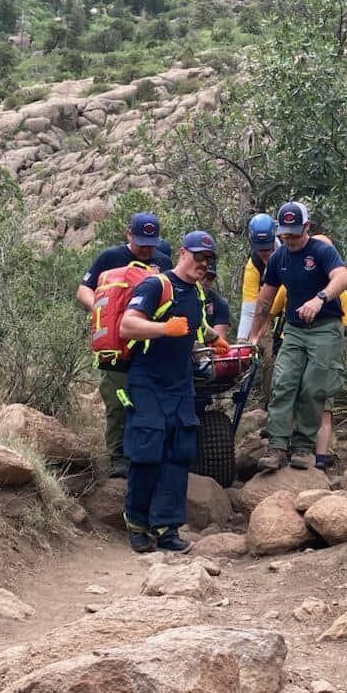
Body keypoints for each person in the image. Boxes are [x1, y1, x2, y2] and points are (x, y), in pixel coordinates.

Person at [119, 231, 230, 553]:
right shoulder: (156, 285)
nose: (204, 264)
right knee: (147, 453)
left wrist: (212, 338)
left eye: (209, 260)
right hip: (148, 381)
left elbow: (192, 325)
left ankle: (167, 528)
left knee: (178, 456)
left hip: (180, 383)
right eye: (199, 257)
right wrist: (164, 328)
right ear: (183, 253)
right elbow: (128, 326)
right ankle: (137, 524)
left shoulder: (196, 292)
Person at [249, 201, 347, 470]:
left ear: (307, 227)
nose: (291, 240)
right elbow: (265, 298)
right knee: (283, 382)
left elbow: (343, 278)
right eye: (285, 235)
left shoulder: (321, 250)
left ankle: (302, 447)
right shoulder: (278, 257)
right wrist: (253, 335)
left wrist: (320, 298)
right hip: (295, 330)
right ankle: (276, 446)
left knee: (313, 388)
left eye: (295, 234)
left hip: (326, 328)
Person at [76, 213, 173, 479]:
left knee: (148, 401)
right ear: (128, 234)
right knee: (118, 403)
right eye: (141, 242)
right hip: (116, 348)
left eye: (151, 243)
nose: (146, 249)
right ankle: (118, 458)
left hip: (149, 346)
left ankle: (146, 455)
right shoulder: (110, 257)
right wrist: (104, 307)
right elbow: (83, 289)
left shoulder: (162, 262)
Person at [265, 284, 347, 468]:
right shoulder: (289, 285)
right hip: (292, 349)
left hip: (323, 355)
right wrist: (256, 339)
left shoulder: (340, 293)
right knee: (285, 395)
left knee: (320, 402)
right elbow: (270, 313)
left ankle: (318, 460)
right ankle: (279, 448)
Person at [237, 213, 278, 405]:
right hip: (267, 317)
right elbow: (249, 307)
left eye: (268, 249)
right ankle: (272, 407)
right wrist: (242, 341)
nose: (265, 254)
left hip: (294, 312)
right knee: (270, 357)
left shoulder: (289, 252)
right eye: (260, 250)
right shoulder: (253, 265)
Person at [202, 260, 231, 339]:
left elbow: (219, 339)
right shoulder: (183, 297)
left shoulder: (220, 304)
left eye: (210, 278)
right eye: (202, 275)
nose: (205, 281)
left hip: (207, 348)